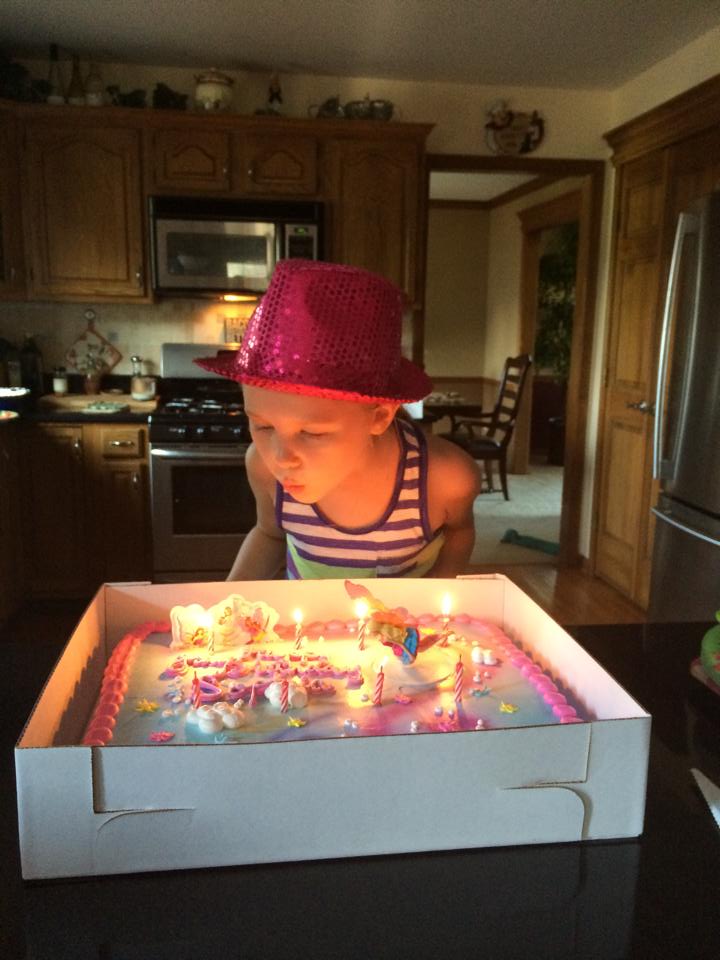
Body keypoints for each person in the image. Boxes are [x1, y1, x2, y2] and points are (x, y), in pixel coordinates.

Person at [195, 259, 482, 580]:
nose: (281, 457)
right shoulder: (263, 469)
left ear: (380, 416)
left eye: (311, 432)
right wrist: (229, 595)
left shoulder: (445, 479)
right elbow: (270, 533)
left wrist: (434, 591)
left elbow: (460, 532)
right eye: (263, 426)